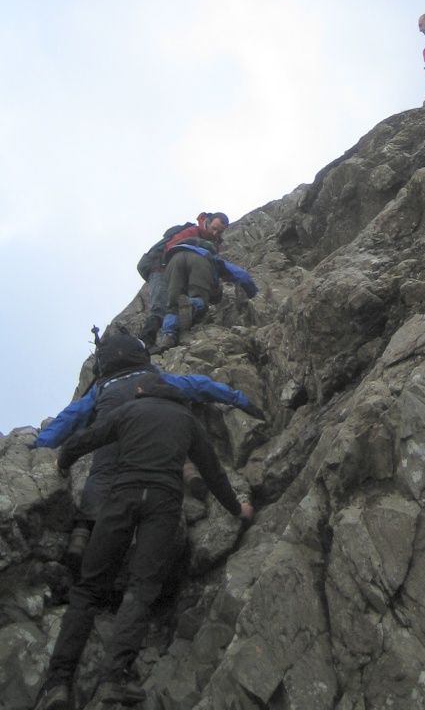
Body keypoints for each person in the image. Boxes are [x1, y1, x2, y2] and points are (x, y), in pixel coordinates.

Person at [35, 376, 254, 710]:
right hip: (164, 503)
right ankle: (113, 680)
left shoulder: (129, 411)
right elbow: (213, 472)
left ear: (143, 392)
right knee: (140, 588)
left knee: (88, 589)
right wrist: (237, 508)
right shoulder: (187, 420)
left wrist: (63, 462)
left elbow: (86, 439)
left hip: (121, 497)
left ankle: (58, 684)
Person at [33, 330, 265, 564]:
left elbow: (70, 416)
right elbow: (199, 386)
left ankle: (82, 533)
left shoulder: (101, 388)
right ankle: (189, 472)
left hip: (111, 433)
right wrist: (240, 400)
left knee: (102, 471)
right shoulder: (152, 378)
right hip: (156, 450)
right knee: (170, 435)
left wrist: (40, 443)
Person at [137, 213, 230, 347]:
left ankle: (169, 337)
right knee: (160, 307)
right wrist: (200, 244)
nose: (215, 233)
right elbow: (172, 246)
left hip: (175, 272)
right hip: (160, 269)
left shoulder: (211, 242)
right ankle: (146, 343)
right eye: (214, 228)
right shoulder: (192, 231)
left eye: (219, 231)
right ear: (208, 222)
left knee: (173, 305)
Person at [156, 234, 258, 352]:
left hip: (173, 261)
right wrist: (252, 293)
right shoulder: (210, 256)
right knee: (199, 298)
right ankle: (192, 304)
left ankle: (168, 335)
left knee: (173, 305)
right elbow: (241, 274)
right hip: (199, 261)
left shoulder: (179, 250)